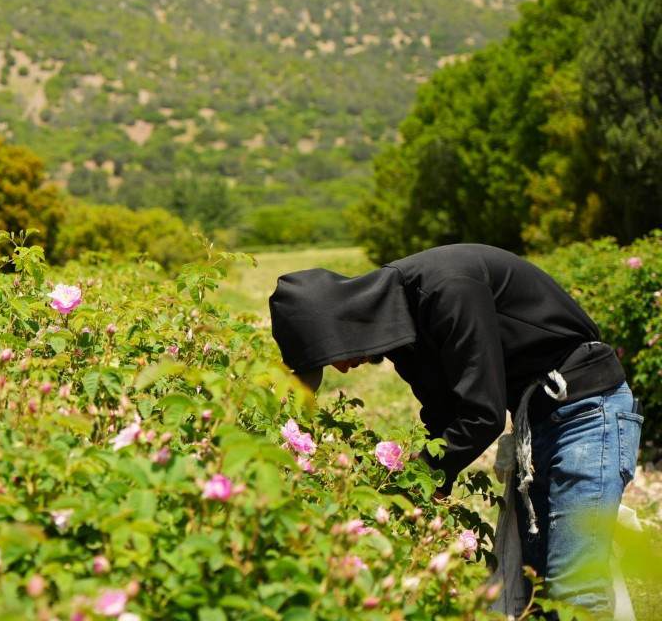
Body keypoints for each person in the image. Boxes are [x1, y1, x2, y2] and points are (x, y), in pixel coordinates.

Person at [268, 243, 641, 616]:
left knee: (574, 589)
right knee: (538, 592)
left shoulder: (446, 287)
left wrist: (417, 479)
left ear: (345, 324)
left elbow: (483, 413)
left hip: (588, 414)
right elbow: (443, 413)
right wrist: (430, 493)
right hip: (538, 423)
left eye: (333, 354)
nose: (342, 368)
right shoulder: (405, 325)